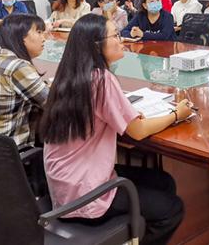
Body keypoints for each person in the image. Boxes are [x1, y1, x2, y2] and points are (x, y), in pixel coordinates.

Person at [40, 14, 189, 244]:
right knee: (172, 209)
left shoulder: (70, 73)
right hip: (86, 193)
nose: (122, 40)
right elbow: (138, 131)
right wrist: (177, 114)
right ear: (96, 45)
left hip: (64, 186)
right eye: (115, 36)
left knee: (163, 181)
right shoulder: (101, 79)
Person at [0, 14, 49, 147]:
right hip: (6, 152)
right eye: (39, 32)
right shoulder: (18, 67)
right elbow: (52, 104)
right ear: (20, 37)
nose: (44, 38)